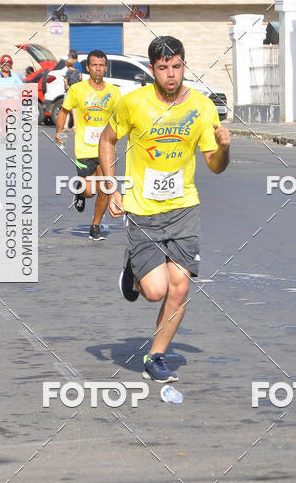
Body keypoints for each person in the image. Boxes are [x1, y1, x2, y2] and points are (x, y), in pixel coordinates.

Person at [99, 36, 231, 383]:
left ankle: (155, 356)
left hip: (184, 208)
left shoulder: (201, 107)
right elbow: (107, 140)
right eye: (163, 68)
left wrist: (223, 148)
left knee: (180, 288)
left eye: (176, 66)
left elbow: (216, 166)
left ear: (184, 65)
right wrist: (111, 187)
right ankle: (133, 271)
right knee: (156, 290)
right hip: (143, 210)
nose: (171, 74)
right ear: (152, 70)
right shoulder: (134, 104)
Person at [55, 50, 120, 241]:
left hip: (106, 148)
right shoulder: (77, 90)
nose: (98, 69)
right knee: (90, 191)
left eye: (101, 65)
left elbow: (123, 117)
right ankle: (80, 192)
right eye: (94, 65)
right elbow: (64, 111)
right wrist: (59, 131)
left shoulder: (114, 92)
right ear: (88, 67)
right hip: (84, 147)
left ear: (105, 67)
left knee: (106, 188)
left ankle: (95, 226)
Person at [0, 54, 23, 136]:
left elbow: (20, 85)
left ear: (11, 65)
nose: (6, 66)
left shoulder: (15, 76)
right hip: (0, 99)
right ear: (1, 65)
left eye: (8, 64)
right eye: (4, 64)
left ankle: (20, 124)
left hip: (13, 99)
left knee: (22, 108)